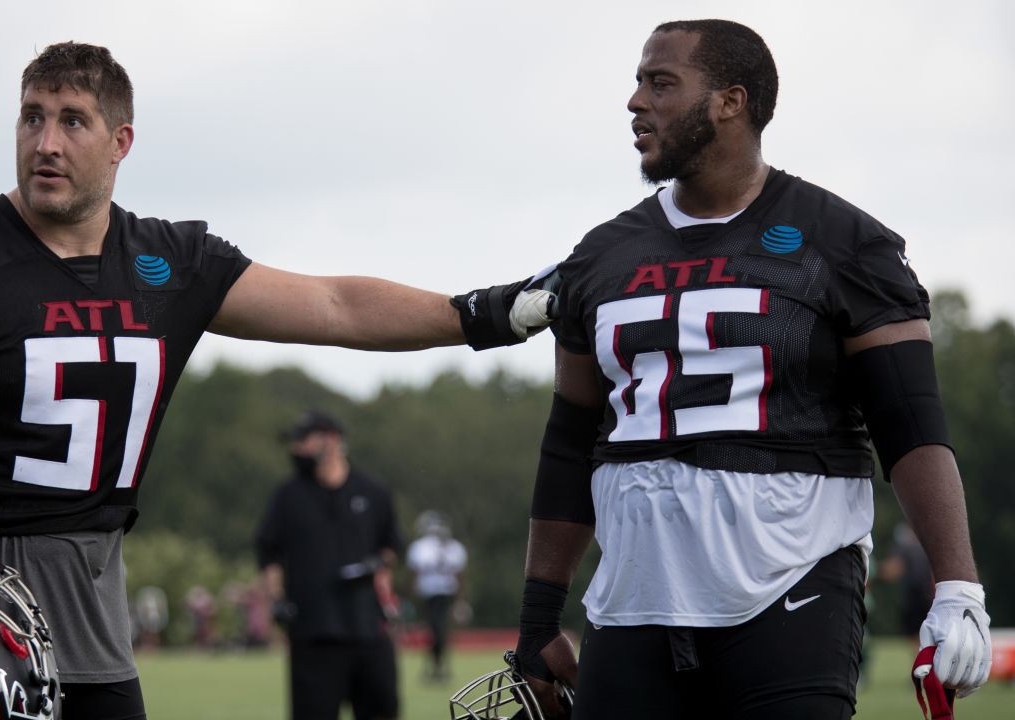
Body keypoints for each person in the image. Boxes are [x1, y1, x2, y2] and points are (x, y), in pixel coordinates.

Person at [0, 43, 557, 720]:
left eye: (73, 121)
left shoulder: (170, 263)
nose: (45, 143)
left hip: (88, 580)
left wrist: (483, 314)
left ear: (120, 142)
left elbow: (336, 305)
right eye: (31, 118)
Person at [512, 20, 992, 720]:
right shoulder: (600, 258)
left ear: (729, 102)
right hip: (634, 597)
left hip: (790, 585)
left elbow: (911, 426)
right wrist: (537, 615)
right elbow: (570, 440)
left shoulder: (845, 241)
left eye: (661, 82)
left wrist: (957, 585)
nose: (635, 102)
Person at [255, 411, 403, 720]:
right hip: (313, 634)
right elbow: (268, 553)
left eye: (301, 441)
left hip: (369, 631)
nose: (295, 450)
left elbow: (391, 547)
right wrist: (277, 601)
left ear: (330, 440)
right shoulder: (287, 495)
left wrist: (377, 564)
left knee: (383, 710)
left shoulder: (373, 491)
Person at [406, 510, 467, 682]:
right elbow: (460, 577)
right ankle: (438, 667)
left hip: (434, 594)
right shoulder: (453, 547)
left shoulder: (420, 548)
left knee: (436, 631)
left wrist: (410, 597)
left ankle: (436, 667)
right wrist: (460, 600)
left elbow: (414, 574)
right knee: (439, 631)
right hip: (440, 594)